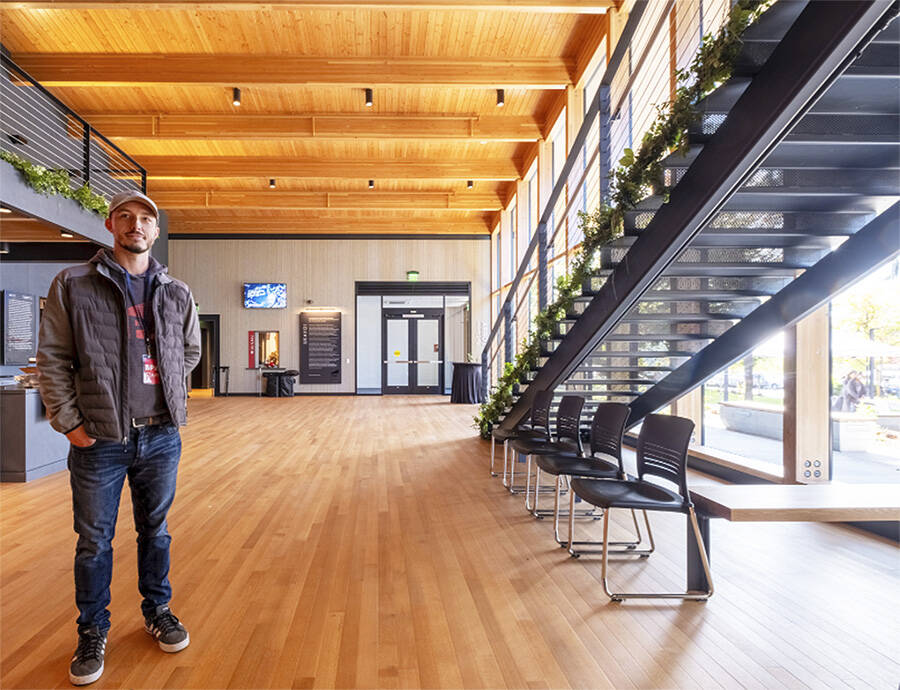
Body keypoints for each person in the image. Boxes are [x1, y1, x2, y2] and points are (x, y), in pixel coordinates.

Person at [37, 190, 200, 686]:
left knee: (157, 531)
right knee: (93, 542)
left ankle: (158, 610)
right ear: (110, 226)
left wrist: (168, 394)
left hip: (161, 436)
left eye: (146, 218)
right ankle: (92, 630)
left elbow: (189, 350)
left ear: (155, 230)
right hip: (100, 440)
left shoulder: (176, 291)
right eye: (126, 217)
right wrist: (69, 422)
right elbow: (53, 358)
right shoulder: (74, 283)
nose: (137, 225)